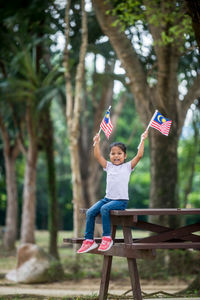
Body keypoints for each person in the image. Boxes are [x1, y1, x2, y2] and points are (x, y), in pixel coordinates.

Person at [77, 130, 148, 254]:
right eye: (113, 153)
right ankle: (89, 240)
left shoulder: (127, 167)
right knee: (90, 212)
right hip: (107, 199)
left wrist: (142, 140)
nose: (116, 156)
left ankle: (107, 238)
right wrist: (97, 143)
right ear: (109, 156)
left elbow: (139, 155)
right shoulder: (108, 166)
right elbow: (98, 156)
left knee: (104, 209)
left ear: (125, 156)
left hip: (120, 201)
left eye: (119, 153)